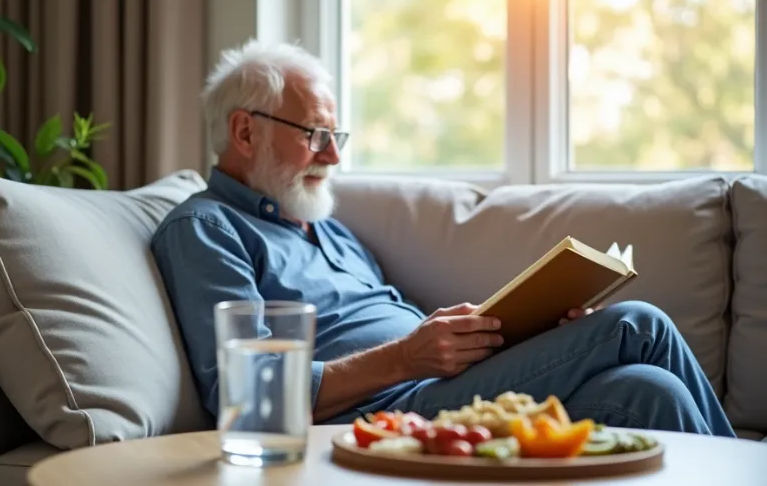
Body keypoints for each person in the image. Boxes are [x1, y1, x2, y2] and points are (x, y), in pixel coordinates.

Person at [151, 40, 736, 437]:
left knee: (648, 390)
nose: (332, 155)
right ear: (245, 131)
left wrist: (530, 332)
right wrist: (407, 356)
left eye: (336, 135)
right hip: (382, 416)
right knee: (638, 324)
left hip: (439, 385)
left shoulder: (329, 229)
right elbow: (249, 396)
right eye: (314, 134)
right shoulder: (207, 230)